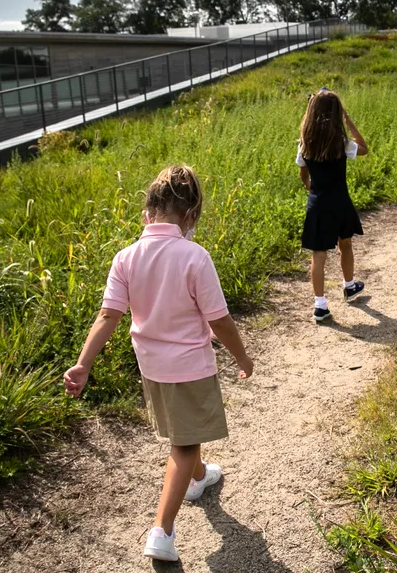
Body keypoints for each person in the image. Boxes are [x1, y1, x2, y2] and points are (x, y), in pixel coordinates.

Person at [63, 166, 253, 563]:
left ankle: (199, 478)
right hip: (189, 366)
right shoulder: (194, 256)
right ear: (192, 215)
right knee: (184, 445)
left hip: (152, 367)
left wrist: (83, 365)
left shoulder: (126, 257)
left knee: (184, 431)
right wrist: (242, 356)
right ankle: (162, 531)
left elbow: (108, 316)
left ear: (146, 213)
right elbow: (219, 320)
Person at [297, 88, 369, 323]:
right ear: (338, 113)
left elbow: (303, 176)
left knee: (318, 256)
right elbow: (365, 148)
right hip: (340, 201)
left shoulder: (305, 143)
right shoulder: (342, 142)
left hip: (318, 204)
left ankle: (320, 305)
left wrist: (313, 188)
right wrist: (349, 121)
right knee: (345, 243)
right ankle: (349, 285)